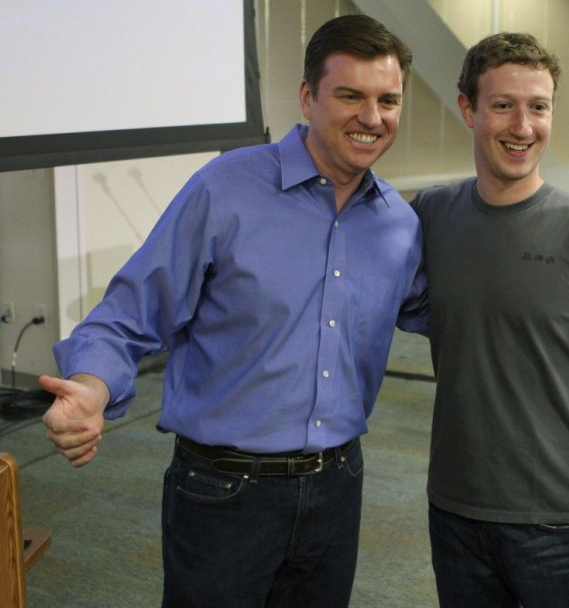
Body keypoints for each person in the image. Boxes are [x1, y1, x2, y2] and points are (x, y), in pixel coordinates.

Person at [39, 15, 426, 608]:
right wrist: (90, 386)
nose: (372, 118)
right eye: (350, 95)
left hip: (338, 487)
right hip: (224, 492)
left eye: (387, 100)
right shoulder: (225, 189)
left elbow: (460, 319)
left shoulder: (399, 225)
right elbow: (130, 313)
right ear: (307, 97)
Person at [410, 32, 569, 608]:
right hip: (454, 510)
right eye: (503, 105)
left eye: (538, 107)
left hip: (559, 521)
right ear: (468, 109)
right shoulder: (430, 216)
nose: (523, 126)